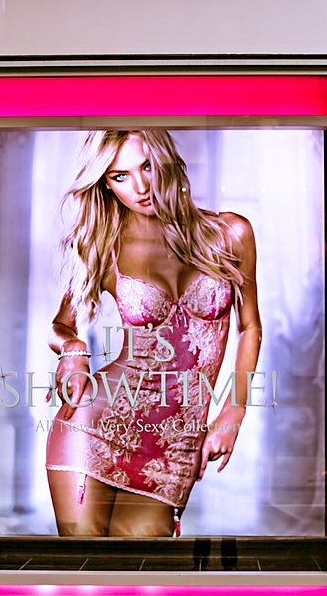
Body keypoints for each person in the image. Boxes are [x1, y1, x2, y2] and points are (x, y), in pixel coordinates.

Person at [45, 129, 261, 537]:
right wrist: (72, 350)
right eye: (120, 176)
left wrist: (234, 411)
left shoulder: (230, 234)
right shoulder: (104, 244)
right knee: (83, 563)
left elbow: (250, 326)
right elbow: (62, 324)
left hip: (175, 442)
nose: (141, 186)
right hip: (95, 424)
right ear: (106, 184)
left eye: (147, 166)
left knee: (143, 563)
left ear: (165, 160)